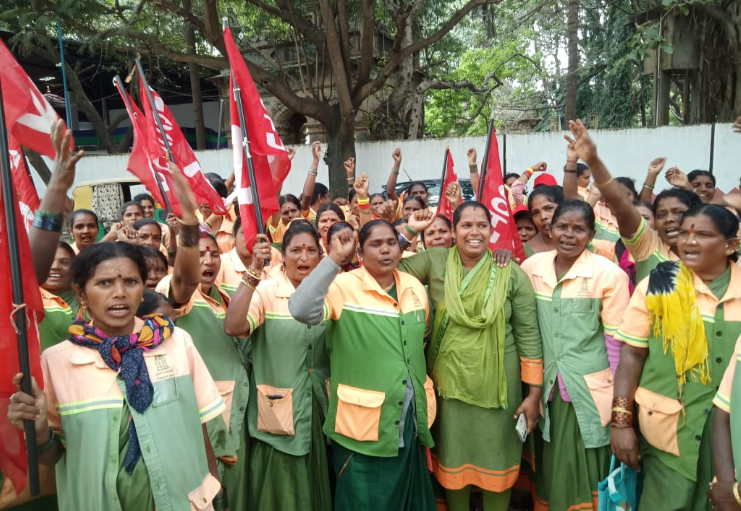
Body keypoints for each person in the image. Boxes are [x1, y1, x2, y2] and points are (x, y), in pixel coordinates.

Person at [7, 241, 227, 511]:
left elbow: (199, 425)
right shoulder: (56, 362)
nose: (120, 293)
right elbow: (54, 456)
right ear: (81, 293)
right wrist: (40, 431)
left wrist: (214, 489)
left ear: (143, 288)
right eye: (105, 283)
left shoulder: (177, 343)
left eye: (131, 282)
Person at [397, 204, 542, 511]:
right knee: (453, 462)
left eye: (482, 226)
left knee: (497, 462)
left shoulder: (511, 273)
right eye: (466, 226)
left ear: (492, 231)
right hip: (448, 384)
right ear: (453, 231)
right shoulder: (436, 261)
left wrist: (534, 393)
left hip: (501, 387)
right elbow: (384, 266)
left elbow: (529, 334)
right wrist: (410, 230)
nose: (474, 232)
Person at [289, 220, 437, 511]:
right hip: (361, 427)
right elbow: (301, 309)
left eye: (391, 243)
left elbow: (422, 341)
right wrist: (332, 260)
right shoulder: (343, 285)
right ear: (360, 251)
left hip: (410, 417)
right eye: (376, 244)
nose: (385, 250)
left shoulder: (414, 287)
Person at [611, 204, 741, 511]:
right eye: (683, 233)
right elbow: (631, 355)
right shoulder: (658, 284)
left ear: (731, 245)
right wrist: (621, 422)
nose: (689, 242)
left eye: (703, 235)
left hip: (733, 439)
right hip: (668, 433)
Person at [521, 200, 630, 511]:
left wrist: (622, 407)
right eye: (562, 227)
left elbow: (616, 346)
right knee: (551, 464)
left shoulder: (608, 274)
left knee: (588, 465)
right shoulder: (533, 267)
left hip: (589, 389)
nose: (569, 235)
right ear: (550, 228)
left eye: (578, 229)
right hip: (544, 387)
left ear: (591, 234)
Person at [155, 165, 249, 511]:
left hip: (237, 414)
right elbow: (185, 279)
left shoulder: (228, 297)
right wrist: (190, 227)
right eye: (200, 253)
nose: (207, 259)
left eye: (213, 253)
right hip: (203, 417)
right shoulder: (176, 295)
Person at [224, 223, 332, 511]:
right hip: (279, 414)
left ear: (322, 257)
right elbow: (233, 326)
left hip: (322, 406)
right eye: (296, 250)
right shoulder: (267, 292)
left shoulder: (333, 291)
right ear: (282, 255)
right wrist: (254, 272)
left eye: (311, 250)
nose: (304, 257)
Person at [563, 119, 701, 282]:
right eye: (662, 214)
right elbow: (621, 204)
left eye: (679, 213)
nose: (670, 219)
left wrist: (687, 186)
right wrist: (593, 160)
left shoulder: (715, 247)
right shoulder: (648, 245)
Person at [216, 216, 282, 296]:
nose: (249, 239)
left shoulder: (274, 268)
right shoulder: (219, 265)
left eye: (255, 233)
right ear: (234, 236)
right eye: (244, 233)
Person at [38, 242, 80, 352]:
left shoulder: (87, 295)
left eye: (65, 262)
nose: (55, 267)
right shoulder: (27, 301)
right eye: (47, 261)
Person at [526, 185, 564, 257]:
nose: (543, 217)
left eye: (548, 208)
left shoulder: (583, 242)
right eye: (536, 213)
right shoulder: (524, 251)